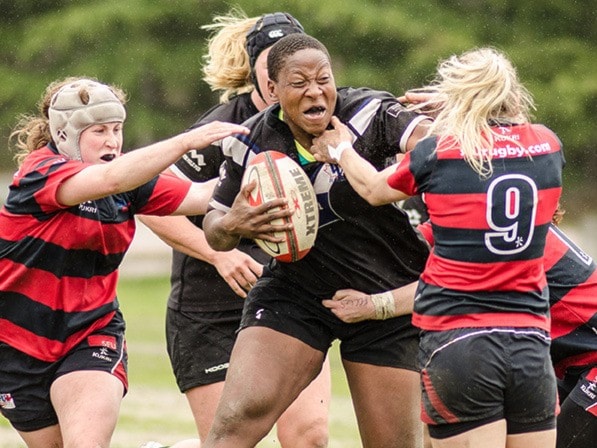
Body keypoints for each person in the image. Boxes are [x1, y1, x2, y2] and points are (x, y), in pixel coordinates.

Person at [310, 47, 565, 448]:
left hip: (459, 343)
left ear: (459, 94)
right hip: (530, 348)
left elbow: (374, 190)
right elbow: (510, 136)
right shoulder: (548, 147)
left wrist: (342, 149)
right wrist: (469, 102)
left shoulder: (439, 152)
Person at [200, 32, 432, 448]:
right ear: (272, 90)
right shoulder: (249, 140)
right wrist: (234, 222)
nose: (315, 91)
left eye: (323, 79)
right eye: (299, 82)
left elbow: (430, 145)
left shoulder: (369, 112)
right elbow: (214, 229)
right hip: (296, 293)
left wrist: (447, 121)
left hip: (388, 293)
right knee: (235, 422)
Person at [0, 77, 248, 448]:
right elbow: (110, 179)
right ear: (65, 133)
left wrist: (267, 174)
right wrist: (185, 141)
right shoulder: (40, 174)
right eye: (99, 131)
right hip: (16, 343)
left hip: (91, 331)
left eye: (117, 129)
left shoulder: (130, 183)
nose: (113, 141)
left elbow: (201, 196)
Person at [138, 10, 331, 448]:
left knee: (310, 436)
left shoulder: (323, 124)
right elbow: (146, 201)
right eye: (271, 62)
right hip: (208, 310)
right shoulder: (219, 129)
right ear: (258, 72)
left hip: (287, 300)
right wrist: (218, 252)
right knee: (229, 441)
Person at [325, 210, 597, 448]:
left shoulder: (505, 228)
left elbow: (452, 285)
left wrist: (375, 305)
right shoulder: (489, 211)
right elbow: (395, 249)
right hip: (573, 368)